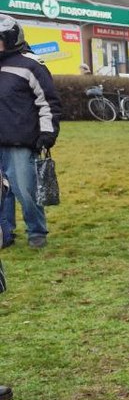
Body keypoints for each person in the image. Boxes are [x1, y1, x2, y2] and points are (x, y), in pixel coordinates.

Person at [0, 16, 60, 249]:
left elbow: (49, 103)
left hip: (21, 142)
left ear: (11, 39)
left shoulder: (31, 65)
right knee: (2, 196)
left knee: (26, 190)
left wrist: (47, 133)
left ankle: (36, 231)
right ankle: (5, 235)